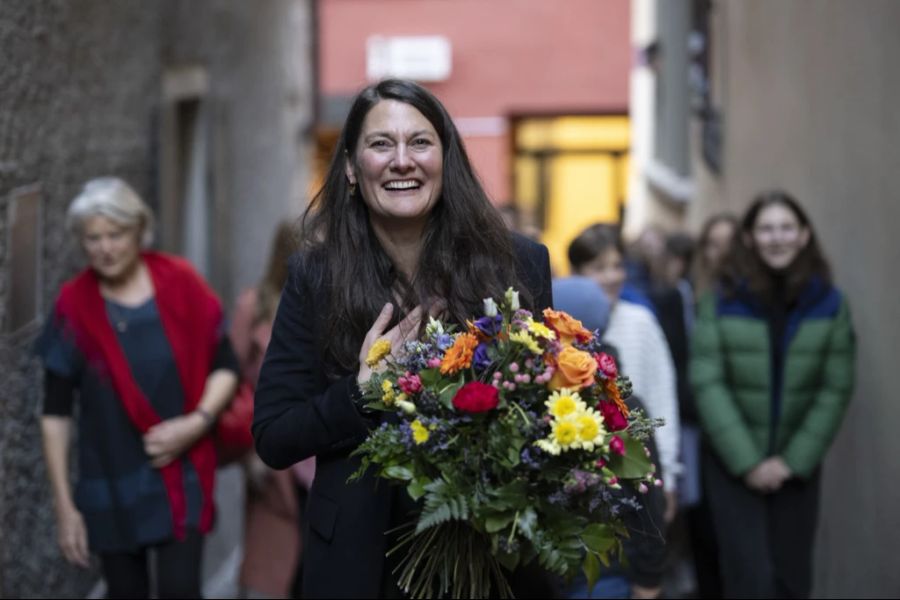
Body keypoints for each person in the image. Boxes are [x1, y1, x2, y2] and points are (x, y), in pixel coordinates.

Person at [252, 79, 554, 598]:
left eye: (419, 142)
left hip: (493, 556)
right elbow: (274, 436)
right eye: (380, 144)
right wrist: (361, 393)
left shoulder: (517, 262)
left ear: (445, 158)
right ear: (351, 167)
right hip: (360, 562)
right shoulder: (315, 277)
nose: (402, 161)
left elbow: (548, 402)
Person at [36, 177, 239, 598]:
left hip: (180, 473)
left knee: (181, 590)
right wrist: (64, 506)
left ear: (138, 231)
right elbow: (55, 413)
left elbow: (227, 365)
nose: (105, 248)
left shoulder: (180, 282)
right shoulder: (73, 306)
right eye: (93, 238)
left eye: (116, 234)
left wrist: (196, 424)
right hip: (109, 480)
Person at [691, 191, 855, 598]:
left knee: (791, 581)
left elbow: (835, 386)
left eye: (786, 228)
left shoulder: (830, 304)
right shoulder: (721, 300)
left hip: (795, 467)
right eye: (766, 228)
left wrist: (791, 460)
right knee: (749, 580)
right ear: (748, 238)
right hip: (733, 467)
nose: (776, 237)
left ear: (803, 236)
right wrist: (749, 461)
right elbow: (707, 379)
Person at [553, 277, 667, 600]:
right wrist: (650, 577)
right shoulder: (625, 402)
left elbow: (647, 501)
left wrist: (648, 578)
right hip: (608, 566)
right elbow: (649, 501)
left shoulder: (620, 406)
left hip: (602, 574)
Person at [567, 224, 681, 525]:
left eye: (617, 266)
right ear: (577, 273)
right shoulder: (563, 328)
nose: (611, 277)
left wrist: (666, 475)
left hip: (641, 468)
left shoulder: (641, 322)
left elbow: (662, 400)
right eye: (599, 268)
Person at [230, 220, 312, 599]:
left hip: (319, 449)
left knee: (317, 560)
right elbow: (229, 381)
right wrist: (249, 449)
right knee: (274, 563)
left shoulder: (330, 303)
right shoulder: (256, 305)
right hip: (271, 458)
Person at [692, 213, 738, 298]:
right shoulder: (700, 287)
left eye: (728, 244)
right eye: (715, 244)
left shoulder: (749, 291)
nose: (723, 253)